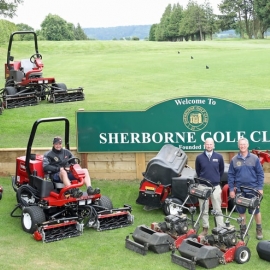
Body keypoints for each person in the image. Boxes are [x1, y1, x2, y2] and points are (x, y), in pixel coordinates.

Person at [228, 137, 264, 240]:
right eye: (240, 144)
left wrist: (260, 188)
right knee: (241, 211)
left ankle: (259, 229)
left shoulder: (254, 158)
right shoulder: (234, 160)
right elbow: (231, 176)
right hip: (240, 190)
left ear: (247, 145)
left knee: (256, 210)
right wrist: (231, 189)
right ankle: (243, 229)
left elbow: (260, 174)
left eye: (244, 144)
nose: (242, 146)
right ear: (238, 146)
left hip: (253, 189)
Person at [195, 137, 225, 236]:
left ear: (214, 145)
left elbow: (221, 170)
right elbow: (198, 171)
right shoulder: (199, 157)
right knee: (204, 209)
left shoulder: (219, 157)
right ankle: (205, 229)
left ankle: (220, 229)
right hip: (202, 186)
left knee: (217, 209)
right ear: (205, 145)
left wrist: (215, 179)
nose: (209, 146)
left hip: (215, 186)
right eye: (207, 144)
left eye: (211, 144)